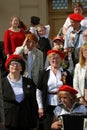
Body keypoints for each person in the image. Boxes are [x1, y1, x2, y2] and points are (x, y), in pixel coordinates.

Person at [36, 49, 73, 130]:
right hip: (48, 105)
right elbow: (39, 91)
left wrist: (70, 105)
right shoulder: (44, 73)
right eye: (52, 58)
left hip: (63, 105)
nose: (55, 60)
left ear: (61, 59)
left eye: (57, 58)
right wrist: (40, 107)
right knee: (48, 126)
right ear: (49, 60)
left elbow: (71, 91)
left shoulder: (66, 73)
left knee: (63, 126)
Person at [1, 54, 38, 130]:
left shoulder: (29, 82)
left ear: (22, 68)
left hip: (25, 121)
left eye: (18, 64)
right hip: (7, 122)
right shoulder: (2, 83)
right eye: (12, 64)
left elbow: (33, 104)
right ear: (8, 67)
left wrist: (34, 123)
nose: (15, 66)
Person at [73, 43, 87, 107]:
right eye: (85, 50)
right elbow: (75, 84)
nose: (86, 52)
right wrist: (80, 98)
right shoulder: (78, 66)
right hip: (82, 99)